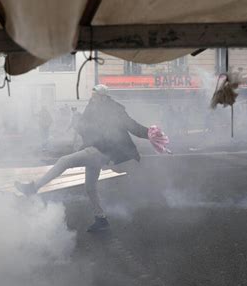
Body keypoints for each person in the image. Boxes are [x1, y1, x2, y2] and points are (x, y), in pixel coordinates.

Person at [15, 84, 149, 232]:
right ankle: (101, 219)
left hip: (102, 151)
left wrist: (151, 133)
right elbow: (84, 125)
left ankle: (33, 188)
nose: (93, 98)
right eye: (92, 95)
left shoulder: (115, 110)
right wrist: (81, 129)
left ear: (104, 97)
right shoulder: (92, 107)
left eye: (96, 95)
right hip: (94, 149)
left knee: (64, 161)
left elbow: (133, 126)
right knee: (90, 188)